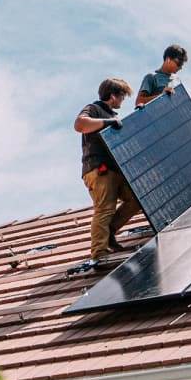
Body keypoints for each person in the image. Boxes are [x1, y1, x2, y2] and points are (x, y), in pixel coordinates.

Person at [74, 78, 139, 260]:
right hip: (99, 169)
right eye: (122, 96)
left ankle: (109, 232)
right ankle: (99, 252)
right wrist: (108, 123)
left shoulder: (112, 116)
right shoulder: (94, 109)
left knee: (136, 199)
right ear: (113, 95)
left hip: (116, 171)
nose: (123, 100)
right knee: (105, 208)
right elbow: (80, 125)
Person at [134, 44, 188, 108]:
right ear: (168, 59)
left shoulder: (178, 80)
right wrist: (161, 96)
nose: (180, 67)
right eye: (179, 63)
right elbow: (139, 102)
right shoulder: (151, 77)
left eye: (182, 65)